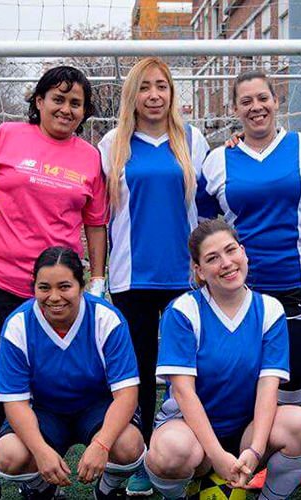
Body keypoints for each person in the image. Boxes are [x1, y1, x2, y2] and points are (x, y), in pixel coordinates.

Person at [0, 66, 109, 500]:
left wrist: (98, 279)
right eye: (58, 98)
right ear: (38, 100)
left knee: (52, 380)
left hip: (59, 294)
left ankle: (39, 474)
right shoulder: (7, 136)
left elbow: (96, 223)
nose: (66, 109)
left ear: (84, 112)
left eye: (76, 103)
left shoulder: (89, 157)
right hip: (0, 281)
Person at [143, 219, 301, 500]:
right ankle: (179, 494)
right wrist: (217, 456)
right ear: (199, 271)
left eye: (231, 250)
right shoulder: (184, 311)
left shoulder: (269, 309)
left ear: (244, 252)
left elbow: (267, 388)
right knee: (170, 451)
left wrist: (255, 450)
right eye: (212, 258)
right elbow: (184, 393)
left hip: (246, 432)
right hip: (192, 435)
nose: (226, 263)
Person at [98, 57, 210, 496]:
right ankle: (144, 456)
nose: (154, 95)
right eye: (145, 87)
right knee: (139, 371)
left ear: (171, 93)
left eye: (161, 86)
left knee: (187, 369)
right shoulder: (113, 143)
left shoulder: (193, 140)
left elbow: (211, 197)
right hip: (132, 277)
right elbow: (99, 213)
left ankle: (192, 446)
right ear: (133, 95)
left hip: (184, 275)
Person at [201, 70, 301, 411]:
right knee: (248, 373)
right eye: (246, 101)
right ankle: (249, 454)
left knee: (293, 376)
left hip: (300, 284)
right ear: (235, 108)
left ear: (277, 101)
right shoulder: (217, 161)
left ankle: (294, 454)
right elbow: (205, 226)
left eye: (263, 98)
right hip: (240, 289)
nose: (256, 107)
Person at [0, 246, 145, 500]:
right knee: (9, 455)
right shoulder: (17, 325)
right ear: (34, 288)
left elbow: (127, 394)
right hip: (43, 409)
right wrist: (40, 450)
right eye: (44, 288)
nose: (54, 297)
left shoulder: (106, 319)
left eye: (64, 287)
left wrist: (102, 443)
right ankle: (42, 488)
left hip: (97, 405)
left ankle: (108, 488)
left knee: (128, 445)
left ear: (81, 286)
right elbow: (15, 402)